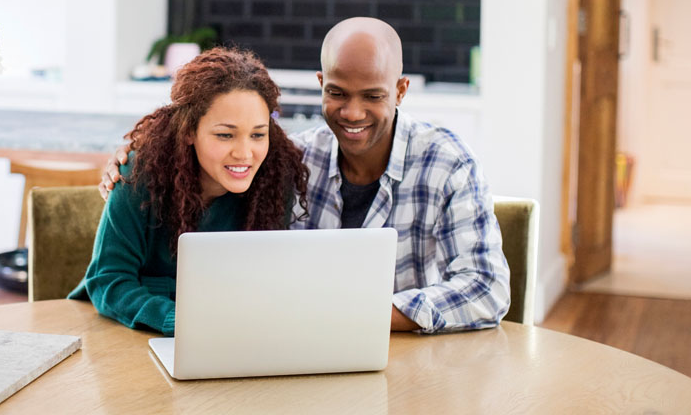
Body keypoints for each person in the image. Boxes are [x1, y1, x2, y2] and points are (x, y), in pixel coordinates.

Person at [101, 18, 510, 334]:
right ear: (321, 84)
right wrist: (136, 156)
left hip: (412, 356)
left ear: (400, 91)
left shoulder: (448, 162)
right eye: (337, 93)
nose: (352, 112)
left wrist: (364, 315)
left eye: (373, 96)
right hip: (297, 348)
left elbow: (488, 288)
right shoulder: (292, 160)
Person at [71, 47, 309, 335]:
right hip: (123, 332)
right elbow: (108, 280)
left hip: (223, 335)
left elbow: (259, 284)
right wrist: (183, 320)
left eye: (258, 134)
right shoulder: (139, 175)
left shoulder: (273, 178)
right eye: (225, 135)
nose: (245, 153)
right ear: (188, 131)